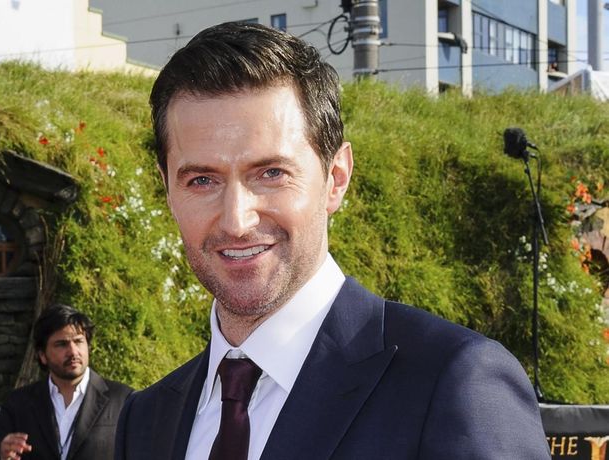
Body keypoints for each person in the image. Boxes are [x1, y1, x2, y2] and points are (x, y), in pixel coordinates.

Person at [115, 22, 550, 460]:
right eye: (202, 180)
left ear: (336, 178)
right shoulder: (145, 420)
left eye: (271, 174)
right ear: (168, 189)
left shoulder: (454, 383)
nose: (237, 220)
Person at [0, 304, 132, 460]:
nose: (73, 352)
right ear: (42, 355)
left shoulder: (123, 399)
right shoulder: (19, 403)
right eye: (62, 344)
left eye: (78, 341)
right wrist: (1, 452)